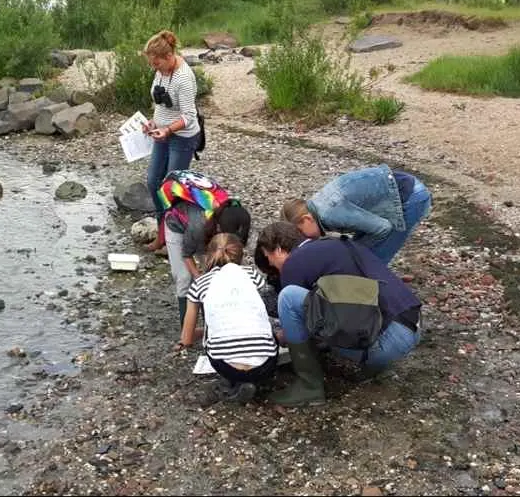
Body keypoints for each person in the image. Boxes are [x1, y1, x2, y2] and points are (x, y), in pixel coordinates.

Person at [254, 222, 423, 406]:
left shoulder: (293, 264)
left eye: (268, 256)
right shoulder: (334, 243)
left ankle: (309, 386)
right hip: (413, 323)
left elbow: (299, 321)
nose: (270, 263)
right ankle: (376, 365)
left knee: (288, 298)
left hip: (386, 342)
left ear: (278, 249)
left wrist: (279, 335)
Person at [175, 233, 277, 404]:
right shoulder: (252, 275)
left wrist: (204, 331)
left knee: (213, 337)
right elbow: (264, 309)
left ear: (208, 256)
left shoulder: (200, 284)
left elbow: (186, 338)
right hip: (266, 365)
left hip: (226, 366)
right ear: (241, 255)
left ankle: (232, 382)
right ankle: (251, 380)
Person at [281, 164, 432, 267]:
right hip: (396, 184)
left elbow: (383, 228)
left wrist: (354, 254)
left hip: (410, 197)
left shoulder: (329, 214)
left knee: (372, 261)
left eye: (301, 234)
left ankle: (380, 299)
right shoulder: (318, 204)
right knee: (358, 254)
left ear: (306, 219)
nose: (304, 241)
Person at [157, 169, 252, 326]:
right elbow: (186, 254)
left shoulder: (232, 212)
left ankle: (212, 319)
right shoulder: (198, 226)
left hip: (206, 232)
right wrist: (198, 277)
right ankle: (187, 329)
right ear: (220, 230)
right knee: (185, 278)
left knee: (215, 272)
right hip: (176, 225)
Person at [141, 30, 202, 255]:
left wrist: (167, 129)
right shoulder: (161, 72)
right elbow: (161, 104)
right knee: (153, 181)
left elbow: (188, 116)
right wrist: (152, 122)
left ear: (168, 57)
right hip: (162, 132)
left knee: (172, 188)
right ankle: (162, 234)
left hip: (182, 138)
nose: (154, 68)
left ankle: (175, 239)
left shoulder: (184, 78)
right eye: (152, 64)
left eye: (156, 63)